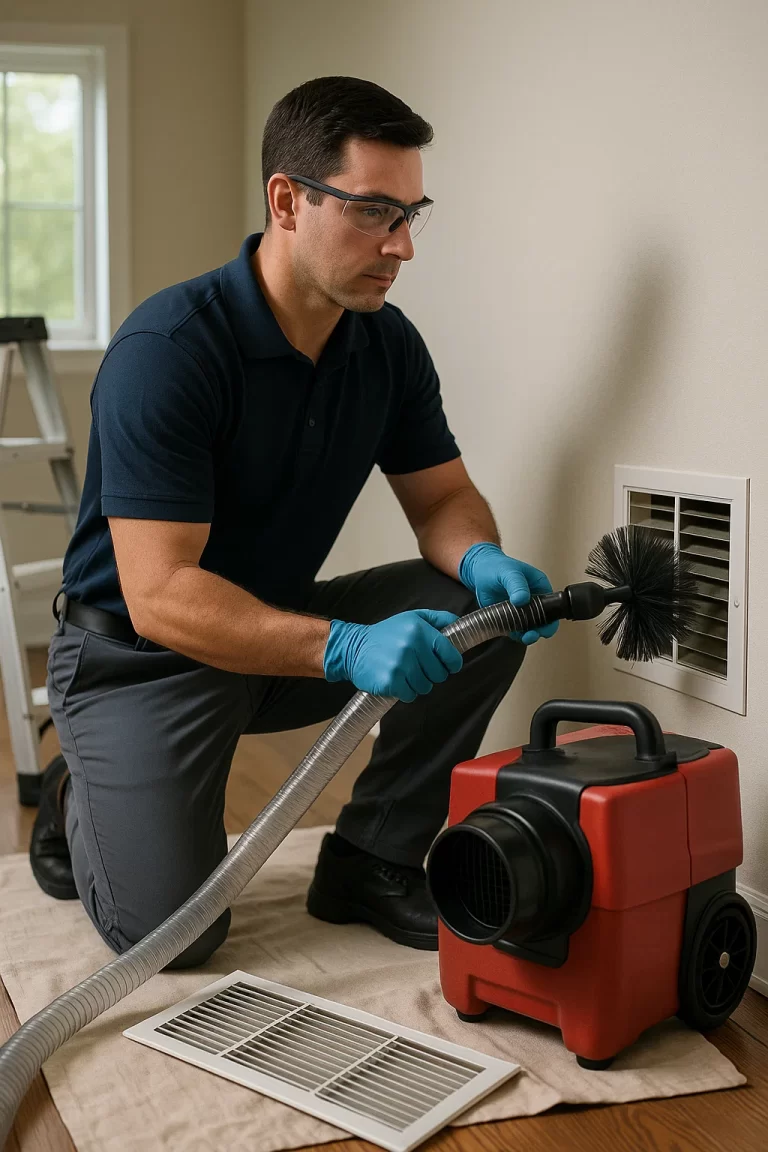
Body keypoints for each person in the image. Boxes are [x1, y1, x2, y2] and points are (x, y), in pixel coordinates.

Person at [31, 76, 557, 967]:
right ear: (288, 200)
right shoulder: (169, 352)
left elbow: (440, 500)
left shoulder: (385, 343)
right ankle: (78, 786)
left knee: (480, 617)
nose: (401, 246)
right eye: (375, 212)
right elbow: (159, 596)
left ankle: (371, 859)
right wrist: (346, 649)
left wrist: (480, 561)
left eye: (411, 213)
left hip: (273, 636)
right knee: (176, 938)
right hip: (140, 661)